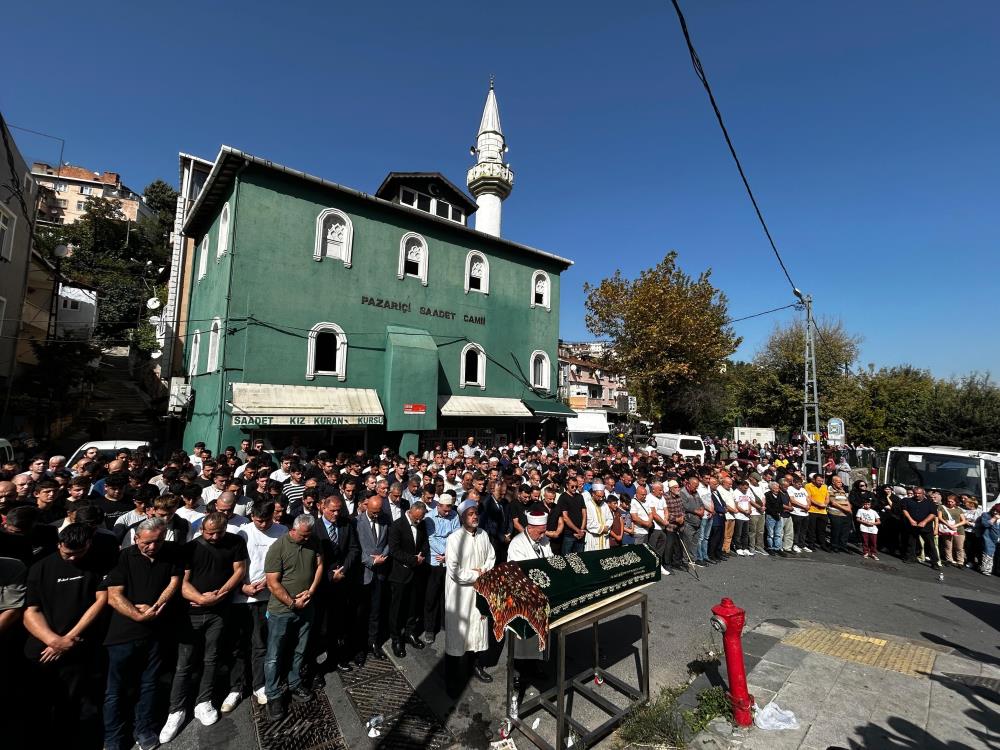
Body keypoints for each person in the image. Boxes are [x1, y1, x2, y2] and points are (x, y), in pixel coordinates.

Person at [160, 512, 248, 743]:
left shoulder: (236, 542)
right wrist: (201, 599)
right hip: (191, 613)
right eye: (209, 532)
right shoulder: (190, 548)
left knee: (212, 657)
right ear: (202, 529)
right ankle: (176, 709)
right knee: (184, 663)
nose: (214, 537)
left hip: (219, 611)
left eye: (218, 532)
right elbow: (182, 581)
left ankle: (203, 700)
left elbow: (239, 569)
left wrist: (221, 593)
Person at [23, 523, 109, 747]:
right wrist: (54, 641)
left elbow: (101, 600)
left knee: (74, 707)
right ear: (59, 544)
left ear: (88, 545)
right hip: (44, 649)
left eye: (78, 553)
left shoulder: (96, 564)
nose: (72, 558)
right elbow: (30, 611)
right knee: (41, 704)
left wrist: (70, 637)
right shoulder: (39, 568)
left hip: (79, 647)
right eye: (67, 553)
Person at [103, 517, 182, 750]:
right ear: (136, 538)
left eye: (157, 541)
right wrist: (138, 615)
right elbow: (113, 594)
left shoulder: (170, 553)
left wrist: (156, 606)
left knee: (149, 684)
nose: (152, 547)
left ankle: (144, 728)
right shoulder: (124, 557)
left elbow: (174, 581)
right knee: (115, 690)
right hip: (123, 634)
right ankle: (113, 738)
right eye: (146, 542)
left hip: (155, 631)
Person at [263, 514, 324, 721]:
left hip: (306, 606)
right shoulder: (278, 548)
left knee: (300, 648)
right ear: (294, 530)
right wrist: (291, 602)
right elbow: (272, 582)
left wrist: (311, 592)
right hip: (282, 610)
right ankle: (273, 694)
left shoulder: (313, 541)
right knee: (274, 654)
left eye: (309, 536)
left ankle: (295, 682)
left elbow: (319, 566)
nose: (307, 539)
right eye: (303, 536)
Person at [229, 500, 285, 711]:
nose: (262, 524)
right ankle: (236, 686)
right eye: (258, 520)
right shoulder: (242, 532)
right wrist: (242, 587)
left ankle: (258, 684)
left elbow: (282, 562)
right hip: (242, 595)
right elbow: (235, 563)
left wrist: (268, 582)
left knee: (260, 642)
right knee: (238, 644)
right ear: (252, 516)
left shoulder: (282, 531)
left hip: (266, 595)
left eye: (267, 520)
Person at [445, 500, 496, 693]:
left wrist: (483, 571)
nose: (474, 517)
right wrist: (477, 575)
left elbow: (491, 557)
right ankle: (451, 678)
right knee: (458, 637)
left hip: (479, 592)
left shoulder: (483, 535)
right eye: (470, 514)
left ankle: (475, 666)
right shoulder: (454, 539)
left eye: (476, 513)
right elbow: (455, 572)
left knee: (477, 632)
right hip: (460, 596)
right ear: (462, 517)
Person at [313, 492, 360, 675]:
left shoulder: (346, 524)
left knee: (339, 624)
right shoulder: (315, 528)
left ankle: (337, 658)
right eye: (332, 511)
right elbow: (311, 559)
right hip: (322, 585)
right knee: (320, 628)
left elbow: (354, 549)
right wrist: (329, 575)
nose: (336, 514)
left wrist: (343, 570)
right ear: (323, 508)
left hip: (342, 583)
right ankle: (316, 667)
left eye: (338, 510)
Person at [506, 510, 551, 674]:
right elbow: (517, 572)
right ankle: (516, 671)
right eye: (540, 532)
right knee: (522, 637)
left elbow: (549, 560)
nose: (543, 535)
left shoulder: (544, 540)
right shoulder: (517, 544)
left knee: (538, 633)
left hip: (540, 595)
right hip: (523, 597)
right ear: (530, 528)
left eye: (544, 531)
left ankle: (534, 665)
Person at [387, 500, 429, 658]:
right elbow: (394, 550)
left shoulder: (422, 524)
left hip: (416, 573)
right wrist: (413, 559)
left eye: (421, 518)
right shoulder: (397, 525)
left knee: (413, 605)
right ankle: (396, 639)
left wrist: (422, 556)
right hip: (400, 574)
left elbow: (424, 543)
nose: (418, 521)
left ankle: (410, 632)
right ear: (411, 512)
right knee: (397, 608)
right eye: (416, 518)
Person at [356, 493, 391, 663]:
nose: (376, 515)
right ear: (366, 506)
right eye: (373, 512)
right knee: (361, 613)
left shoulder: (384, 520)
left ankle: (373, 643)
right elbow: (356, 547)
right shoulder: (357, 522)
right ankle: (360, 647)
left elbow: (388, 542)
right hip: (364, 573)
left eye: (379, 512)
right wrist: (371, 561)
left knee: (376, 612)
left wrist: (382, 557)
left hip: (380, 573)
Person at [424, 493, 459, 644]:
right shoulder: (429, 518)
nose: (447, 513)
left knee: (447, 595)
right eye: (444, 510)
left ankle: (445, 623)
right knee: (431, 596)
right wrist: (444, 553)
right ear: (438, 506)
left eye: (449, 510)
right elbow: (431, 538)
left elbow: (457, 535)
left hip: (448, 559)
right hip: (435, 560)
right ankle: (430, 628)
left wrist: (449, 555)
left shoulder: (454, 515)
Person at [901, 488, 941, 570]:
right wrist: (911, 520)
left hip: (926, 527)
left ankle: (935, 562)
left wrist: (924, 522)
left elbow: (933, 514)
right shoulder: (908, 501)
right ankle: (910, 558)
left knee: (930, 544)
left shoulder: (930, 503)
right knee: (911, 542)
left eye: (919, 493)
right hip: (912, 526)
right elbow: (904, 510)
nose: (917, 495)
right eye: (915, 493)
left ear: (923, 494)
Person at [557, 476, 587, 554]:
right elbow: (565, 517)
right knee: (567, 558)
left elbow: (584, 513)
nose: (574, 488)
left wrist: (581, 530)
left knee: (580, 558)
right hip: (569, 534)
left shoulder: (580, 496)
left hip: (580, 533)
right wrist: (578, 531)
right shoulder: (563, 497)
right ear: (567, 485)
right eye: (572, 486)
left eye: (576, 486)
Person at [937, 495, 966, 567]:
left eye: (952, 502)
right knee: (948, 545)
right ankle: (949, 560)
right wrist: (949, 526)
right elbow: (940, 518)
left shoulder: (959, 509)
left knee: (959, 547)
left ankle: (960, 561)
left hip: (958, 529)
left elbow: (964, 521)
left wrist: (954, 526)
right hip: (947, 529)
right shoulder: (942, 507)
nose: (949, 503)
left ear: (955, 502)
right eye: (948, 501)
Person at [805, 474, 831, 552]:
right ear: (814, 480)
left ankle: (822, 544)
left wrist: (825, 504)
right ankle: (811, 544)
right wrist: (819, 504)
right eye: (819, 480)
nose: (821, 482)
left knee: (822, 530)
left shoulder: (825, 486)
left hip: (823, 511)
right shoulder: (808, 486)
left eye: (822, 481)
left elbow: (827, 497)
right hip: (812, 510)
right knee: (812, 529)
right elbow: (809, 497)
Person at [827, 477, 853, 553]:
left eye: (841, 482)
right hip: (835, 513)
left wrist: (849, 509)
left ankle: (843, 546)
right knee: (836, 530)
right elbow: (833, 503)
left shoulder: (842, 490)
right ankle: (834, 546)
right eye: (838, 482)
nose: (840, 483)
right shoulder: (830, 490)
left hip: (846, 514)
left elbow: (846, 500)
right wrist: (845, 509)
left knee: (845, 531)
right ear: (833, 482)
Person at [583, 483, 612, 552]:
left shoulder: (604, 504)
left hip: (604, 537)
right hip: (593, 537)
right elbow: (588, 522)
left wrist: (606, 527)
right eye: (599, 496)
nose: (601, 498)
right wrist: (602, 528)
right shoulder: (588, 505)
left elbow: (610, 518)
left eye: (602, 496)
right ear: (593, 494)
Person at [973, 504, 999, 576]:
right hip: (988, 537)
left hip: (996, 539)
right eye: (995, 510)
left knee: (992, 555)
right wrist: (994, 518)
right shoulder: (986, 515)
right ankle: (985, 569)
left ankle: (989, 569)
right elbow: (985, 524)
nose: (995, 512)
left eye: (998, 512)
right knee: (987, 553)